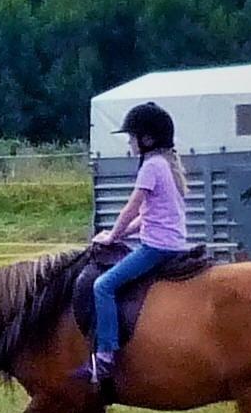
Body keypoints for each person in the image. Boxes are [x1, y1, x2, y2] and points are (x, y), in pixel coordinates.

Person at [80, 100, 191, 393]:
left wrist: (111, 237)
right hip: (174, 244)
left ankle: (105, 356)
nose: (129, 143)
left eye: (132, 137)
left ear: (147, 139)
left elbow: (132, 208)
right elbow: (145, 217)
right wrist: (117, 235)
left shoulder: (151, 167)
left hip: (156, 248)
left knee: (103, 286)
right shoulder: (166, 165)